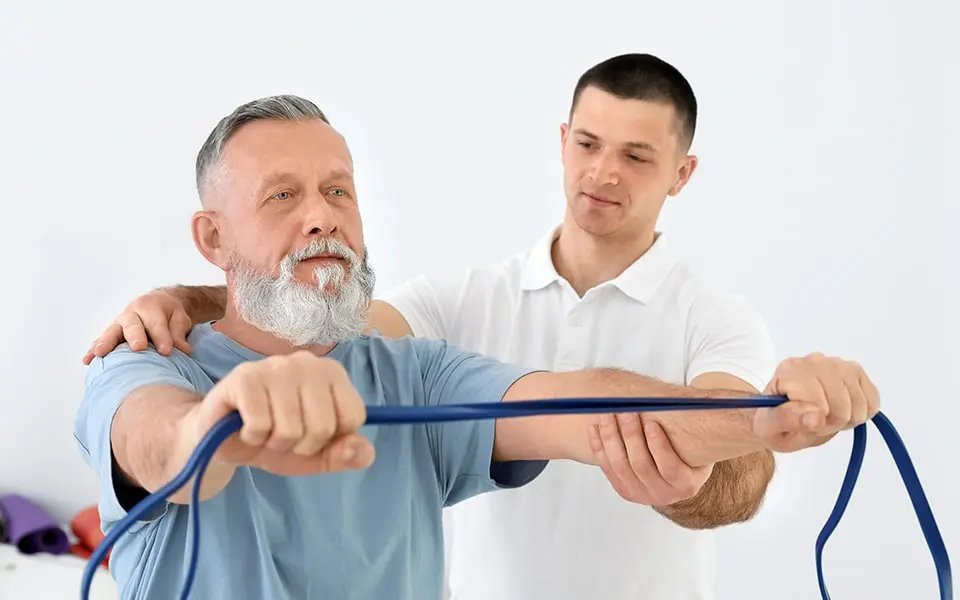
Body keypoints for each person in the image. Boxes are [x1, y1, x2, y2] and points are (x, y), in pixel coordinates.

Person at [78, 89, 878, 600]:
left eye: (337, 192)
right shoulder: (145, 358)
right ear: (211, 237)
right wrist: (222, 416)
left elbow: (589, 400)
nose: (320, 216)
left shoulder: (417, 374)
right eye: (283, 195)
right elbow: (159, 444)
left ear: (681, 173)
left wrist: (768, 416)